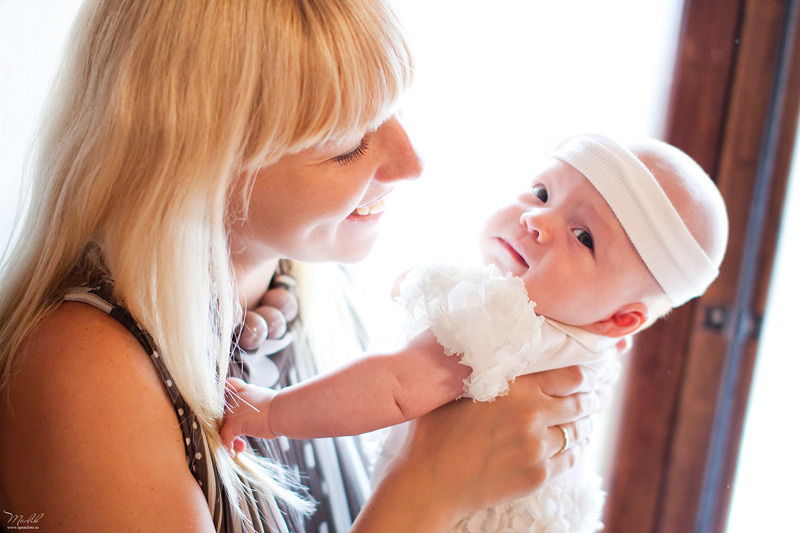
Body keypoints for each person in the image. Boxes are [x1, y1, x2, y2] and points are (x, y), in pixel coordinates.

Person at [0, 1, 600, 532]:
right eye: (347, 144)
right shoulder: (82, 372)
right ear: (197, 166)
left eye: (394, 108)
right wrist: (433, 487)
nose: (411, 163)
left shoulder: (329, 291)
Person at [220, 134, 729, 531]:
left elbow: (393, 386)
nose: (537, 220)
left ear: (621, 320)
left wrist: (270, 412)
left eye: (583, 237)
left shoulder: (506, 323)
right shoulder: (582, 348)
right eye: (543, 192)